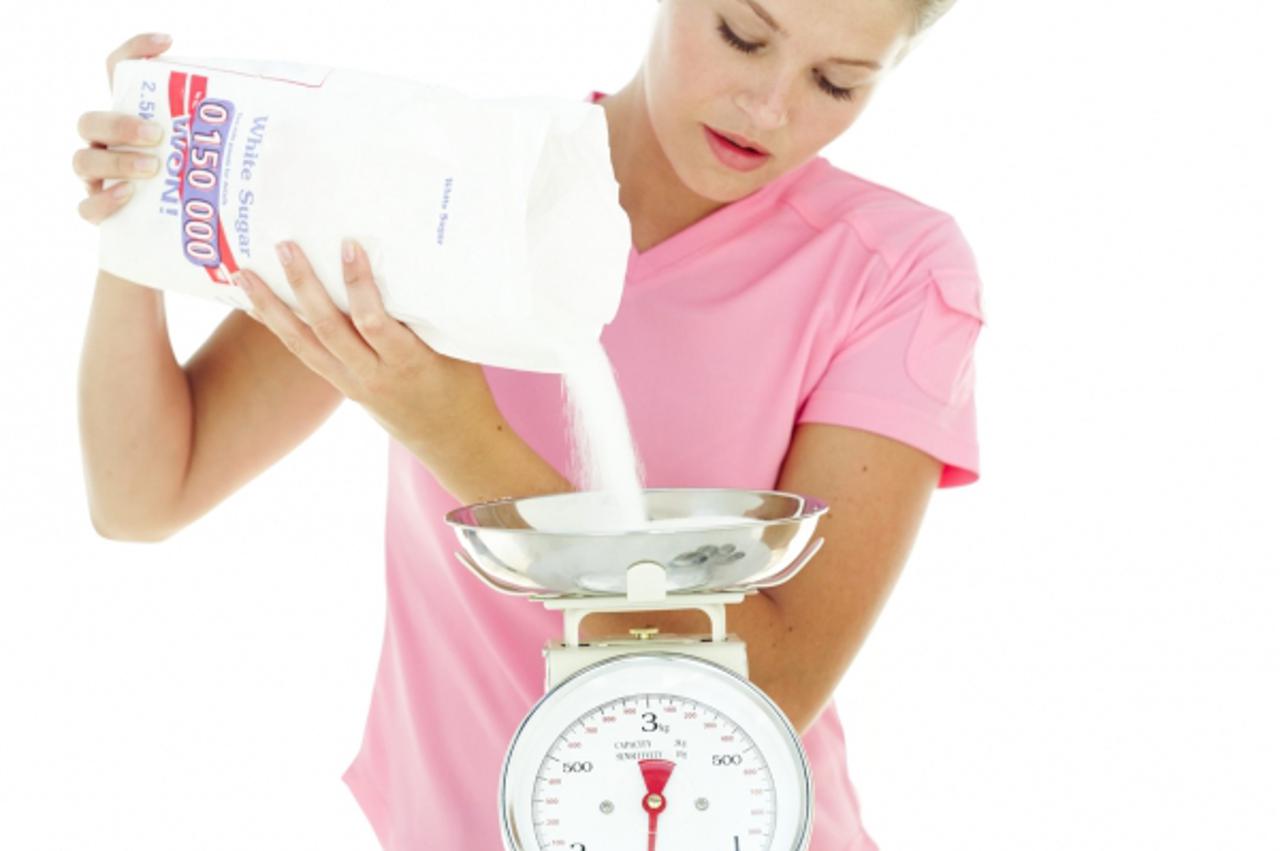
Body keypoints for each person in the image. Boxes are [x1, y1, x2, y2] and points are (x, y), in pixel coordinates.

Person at [74, 0, 983, 847]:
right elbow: (145, 492)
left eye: (839, 82)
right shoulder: (446, 181)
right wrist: (138, 219)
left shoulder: (894, 272)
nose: (770, 107)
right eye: (743, 35)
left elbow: (768, 689)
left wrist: (457, 436)